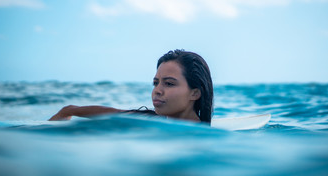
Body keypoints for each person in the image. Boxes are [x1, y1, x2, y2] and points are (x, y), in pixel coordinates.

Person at [49, 49, 214, 124]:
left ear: (195, 93)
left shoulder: (205, 138)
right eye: (155, 83)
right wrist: (69, 110)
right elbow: (114, 113)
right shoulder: (150, 121)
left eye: (169, 83)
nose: (157, 90)